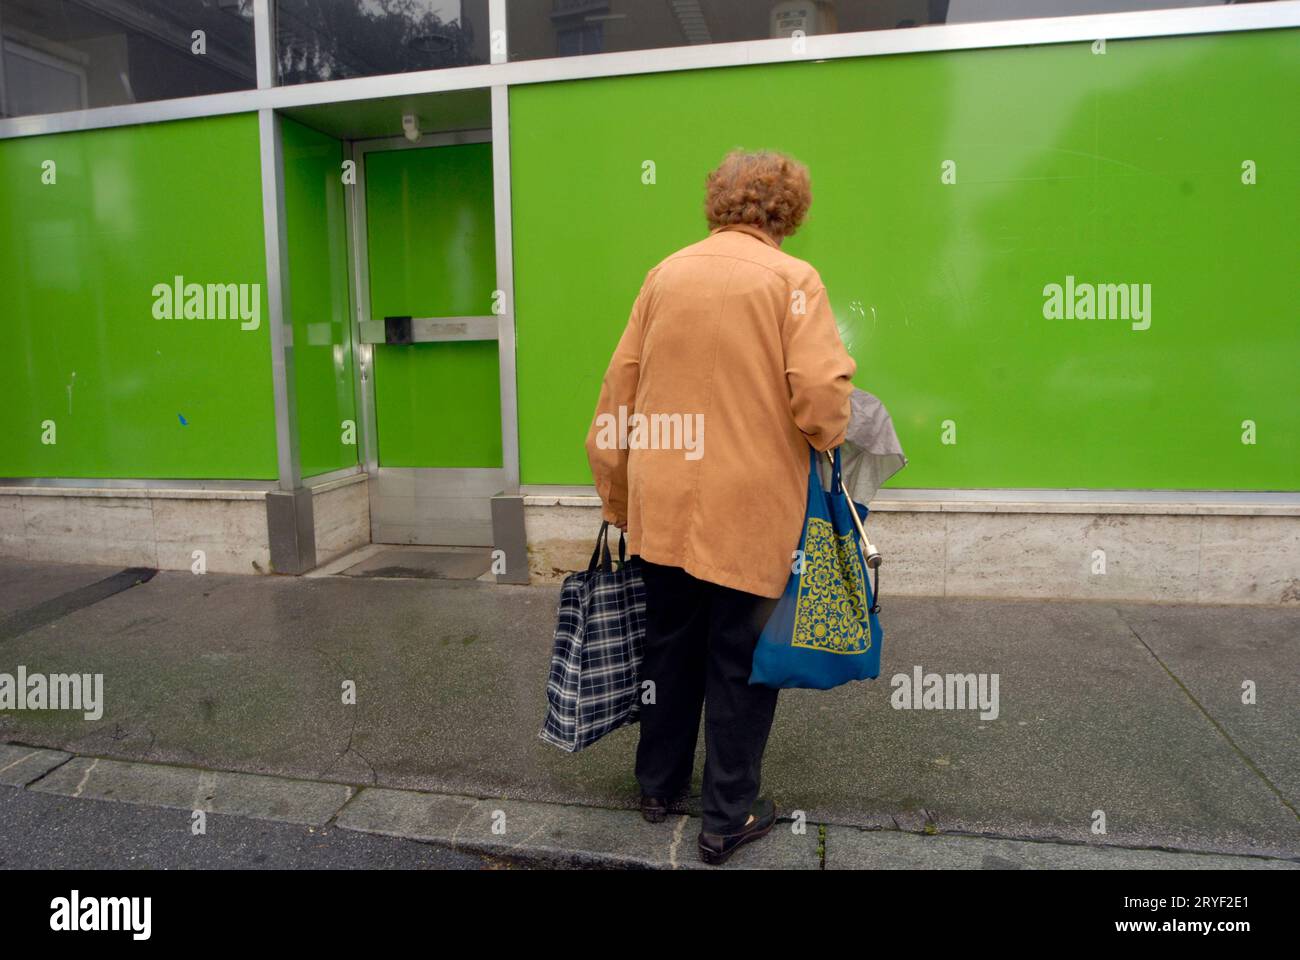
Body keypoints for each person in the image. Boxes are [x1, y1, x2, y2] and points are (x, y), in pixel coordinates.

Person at [584, 149, 856, 865]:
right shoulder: (794, 280)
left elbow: (619, 395)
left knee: (668, 646)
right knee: (739, 658)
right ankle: (726, 817)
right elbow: (822, 397)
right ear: (788, 212)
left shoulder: (665, 275)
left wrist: (617, 496)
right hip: (750, 504)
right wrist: (826, 435)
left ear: (719, 203)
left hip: (662, 504)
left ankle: (656, 787)